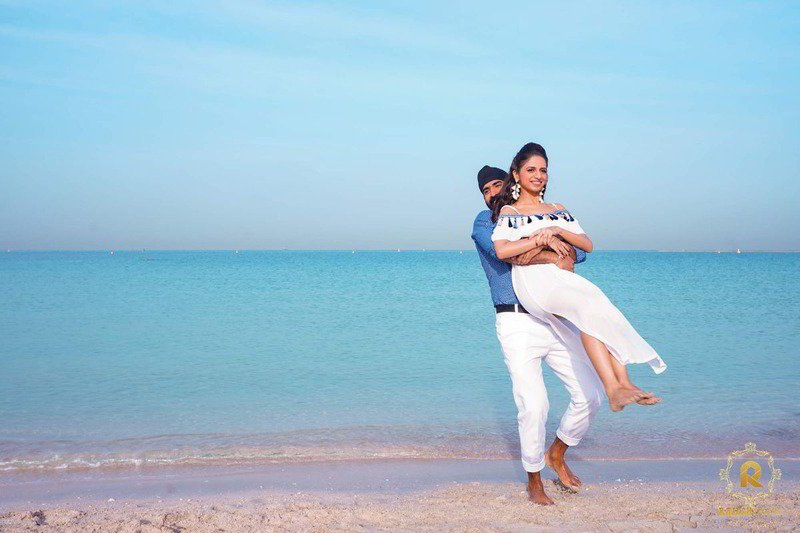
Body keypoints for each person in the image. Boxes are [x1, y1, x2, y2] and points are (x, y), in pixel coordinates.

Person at [491, 143, 667, 414]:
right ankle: (612, 387)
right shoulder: (510, 212)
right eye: (531, 170)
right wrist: (539, 239)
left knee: (599, 306)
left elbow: (587, 244)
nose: (538, 175)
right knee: (587, 308)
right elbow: (502, 251)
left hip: (562, 279)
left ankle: (623, 384)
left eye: (543, 170)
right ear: (516, 174)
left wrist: (556, 229)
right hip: (534, 284)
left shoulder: (558, 209)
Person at [472, 165, 604, 505]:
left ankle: (557, 452)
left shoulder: (534, 215)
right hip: (516, 322)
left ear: (511, 183)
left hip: (556, 319)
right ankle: (534, 479)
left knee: (590, 395)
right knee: (534, 406)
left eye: (496, 185)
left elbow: (581, 252)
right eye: (485, 190)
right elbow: (504, 253)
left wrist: (550, 243)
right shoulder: (485, 222)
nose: (491, 193)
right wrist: (552, 251)